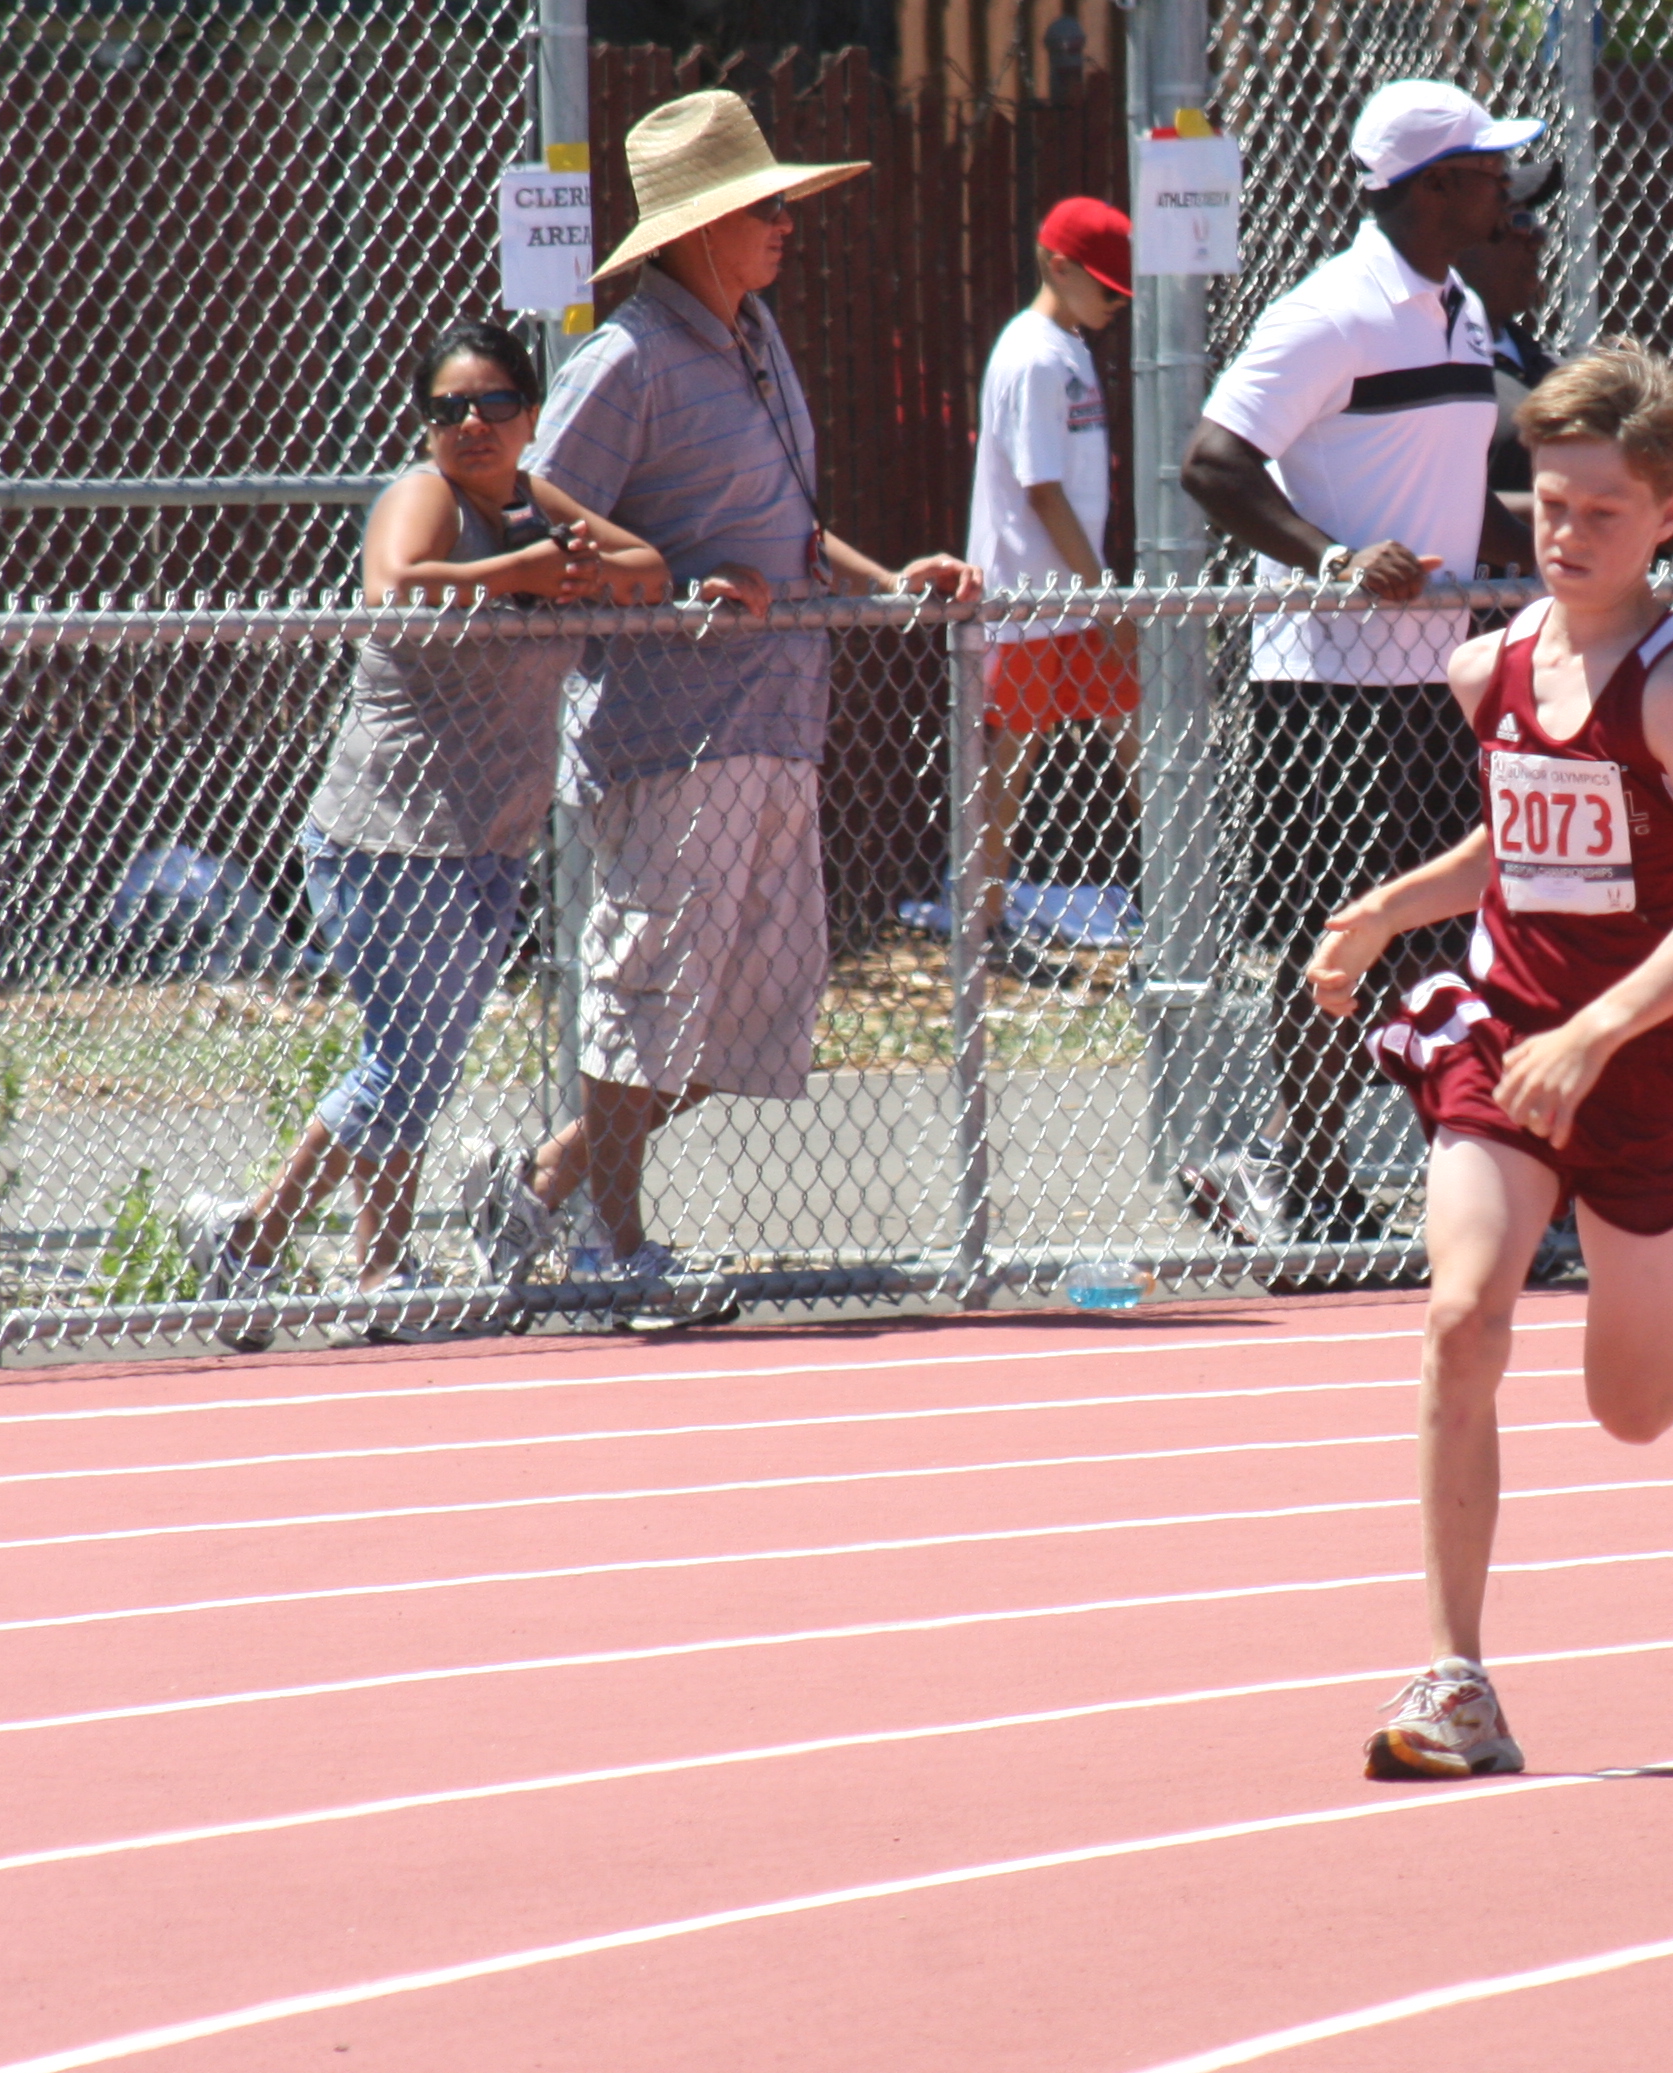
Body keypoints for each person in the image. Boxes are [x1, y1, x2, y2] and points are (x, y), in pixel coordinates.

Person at [1181, 78, 1673, 1271]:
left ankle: (1527, 1166)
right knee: (1337, 927)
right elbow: (1210, 461)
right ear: (1437, 185)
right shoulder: (1331, 311)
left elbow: (1478, 512)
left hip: (1448, 678)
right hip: (1333, 683)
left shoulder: (1458, 313)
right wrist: (1335, 559)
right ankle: (1311, 1179)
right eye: (1488, 171)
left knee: (1486, 925)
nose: (1509, 192)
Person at [1308, 340, 1673, 1779]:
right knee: (1460, 1318)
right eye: (1549, 503)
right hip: (1504, 1038)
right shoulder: (1486, 665)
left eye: (1604, 510)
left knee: (1633, 1411)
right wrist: (1386, 910)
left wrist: (1600, 1034)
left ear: (1666, 514)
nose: (1568, 532)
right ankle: (1457, 1678)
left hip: (1639, 1061)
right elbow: (1517, 841)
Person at [463, 88, 981, 1318]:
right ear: (700, 226)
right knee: (648, 998)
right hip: (670, 735)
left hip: (778, 717)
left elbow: (785, 527)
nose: (787, 222)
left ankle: (539, 1186)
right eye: (766, 205)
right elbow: (524, 515)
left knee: (753, 1008)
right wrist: (667, 583)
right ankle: (613, 1246)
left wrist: (885, 580)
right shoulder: (627, 358)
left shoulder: (755, 335)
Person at [181, 322, 667, 1346]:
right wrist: (518, 573)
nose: (472, 425)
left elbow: (646, 567)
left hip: (487, 841)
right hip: (387, 835)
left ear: (531, 415)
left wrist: (576, 568)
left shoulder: (537, 507)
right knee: (406, 1061)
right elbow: (392, 584)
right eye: (448, 409)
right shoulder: (428, 495)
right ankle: (374, 1266)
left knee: (413, 1062)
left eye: (494, 403)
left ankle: (258, 1242)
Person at [964, 195, 1137, 992]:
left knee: (1138, 742)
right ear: (1058, 267)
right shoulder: (1033, 355)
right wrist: (1104, 598)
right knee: (1010, 764)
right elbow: (1041, 488)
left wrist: (1094, 597)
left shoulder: (1068, 346)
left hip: (1072, 597)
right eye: (1107, 286)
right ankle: (985, 927)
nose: (1118, 302)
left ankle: (1190, 913)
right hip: (1031, 601)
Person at [1463, 156, 1561, 496]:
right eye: (1518, 221)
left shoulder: (1552, 368)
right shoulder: (1424, 367)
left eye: (1534, 223)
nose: (1536, 240)